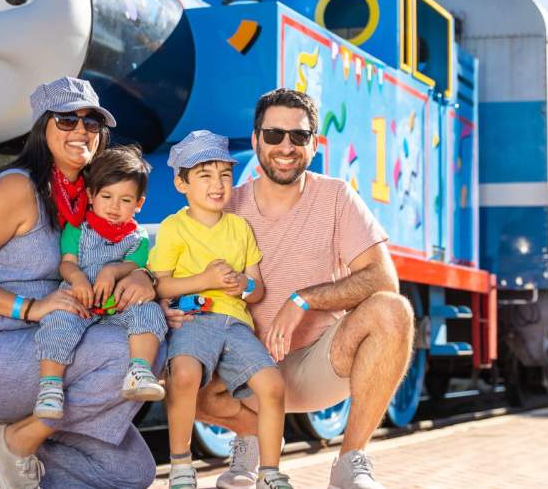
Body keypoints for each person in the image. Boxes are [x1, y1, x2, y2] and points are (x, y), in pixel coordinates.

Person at [0, 76, 162, 489]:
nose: (80, 132)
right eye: (66, 120)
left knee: (130, 474)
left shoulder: (93, 198)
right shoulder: (17, 189)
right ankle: (13, 439)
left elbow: (131, 249)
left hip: (64, 345)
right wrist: (29, 307)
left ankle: (3, 439)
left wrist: (138, 274)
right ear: (42, 126)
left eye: (91, 124)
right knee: (131, 354)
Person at [187, 89, 415, 489]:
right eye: (274, 135)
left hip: (319, 363)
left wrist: (303, 299)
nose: (286, 147)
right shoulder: (223, 207)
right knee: (177, 371)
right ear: (256, 139)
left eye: (298, 136)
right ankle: (253, 436)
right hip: (244, 375)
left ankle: (350, 462)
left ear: (314, 144)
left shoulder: (337, 197)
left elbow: (383, 279)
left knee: (393, 309)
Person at [150, 130, 292, 489]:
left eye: (225, 175)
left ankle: (270, 472)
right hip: (194, 319)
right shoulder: (173, 228)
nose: (217, 184)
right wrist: (204, 279)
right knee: (183, 376)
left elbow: (257, 290)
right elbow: (160, 285)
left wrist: (242, 286)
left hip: (236, 323)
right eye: (204, 175)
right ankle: (181, 465)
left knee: (273, 385)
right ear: (182, 183)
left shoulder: (240, 229)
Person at [32, 144, 167, 419]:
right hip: (80, 297)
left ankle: (139, 371)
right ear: (91, 195)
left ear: (139, 203)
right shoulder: (78, 228)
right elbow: (67, 262)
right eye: (107, 196)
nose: (114, 207)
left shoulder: (137, 237)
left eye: (126, 200)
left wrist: (113, 270)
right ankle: (50, 387)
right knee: (58, 319)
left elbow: (135, 265)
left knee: (149, 310)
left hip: (117, 304)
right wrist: (78, 277)